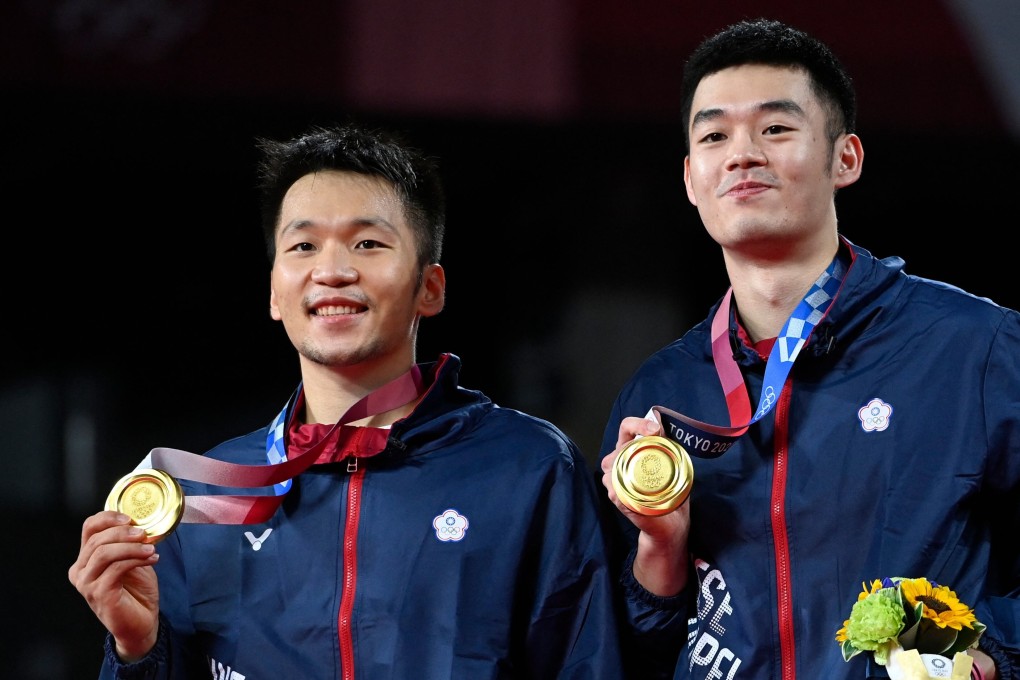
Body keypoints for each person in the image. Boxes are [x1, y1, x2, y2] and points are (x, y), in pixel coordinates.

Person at [69, 122, 624, 679]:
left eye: (368, 243)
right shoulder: (208, 496)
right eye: (304, 245)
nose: (332, 271)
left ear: (429, 288)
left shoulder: (525, 467)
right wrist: (137, 650)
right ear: (274, 293)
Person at [599, 18, 1019, 680]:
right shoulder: (660, 396)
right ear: (690, 178)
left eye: (775, 129)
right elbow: (636, 644)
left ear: (845, 158)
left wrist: (994, 656)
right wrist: (661, 545)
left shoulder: (972, 349)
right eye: (714, 136)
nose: (741, 154)